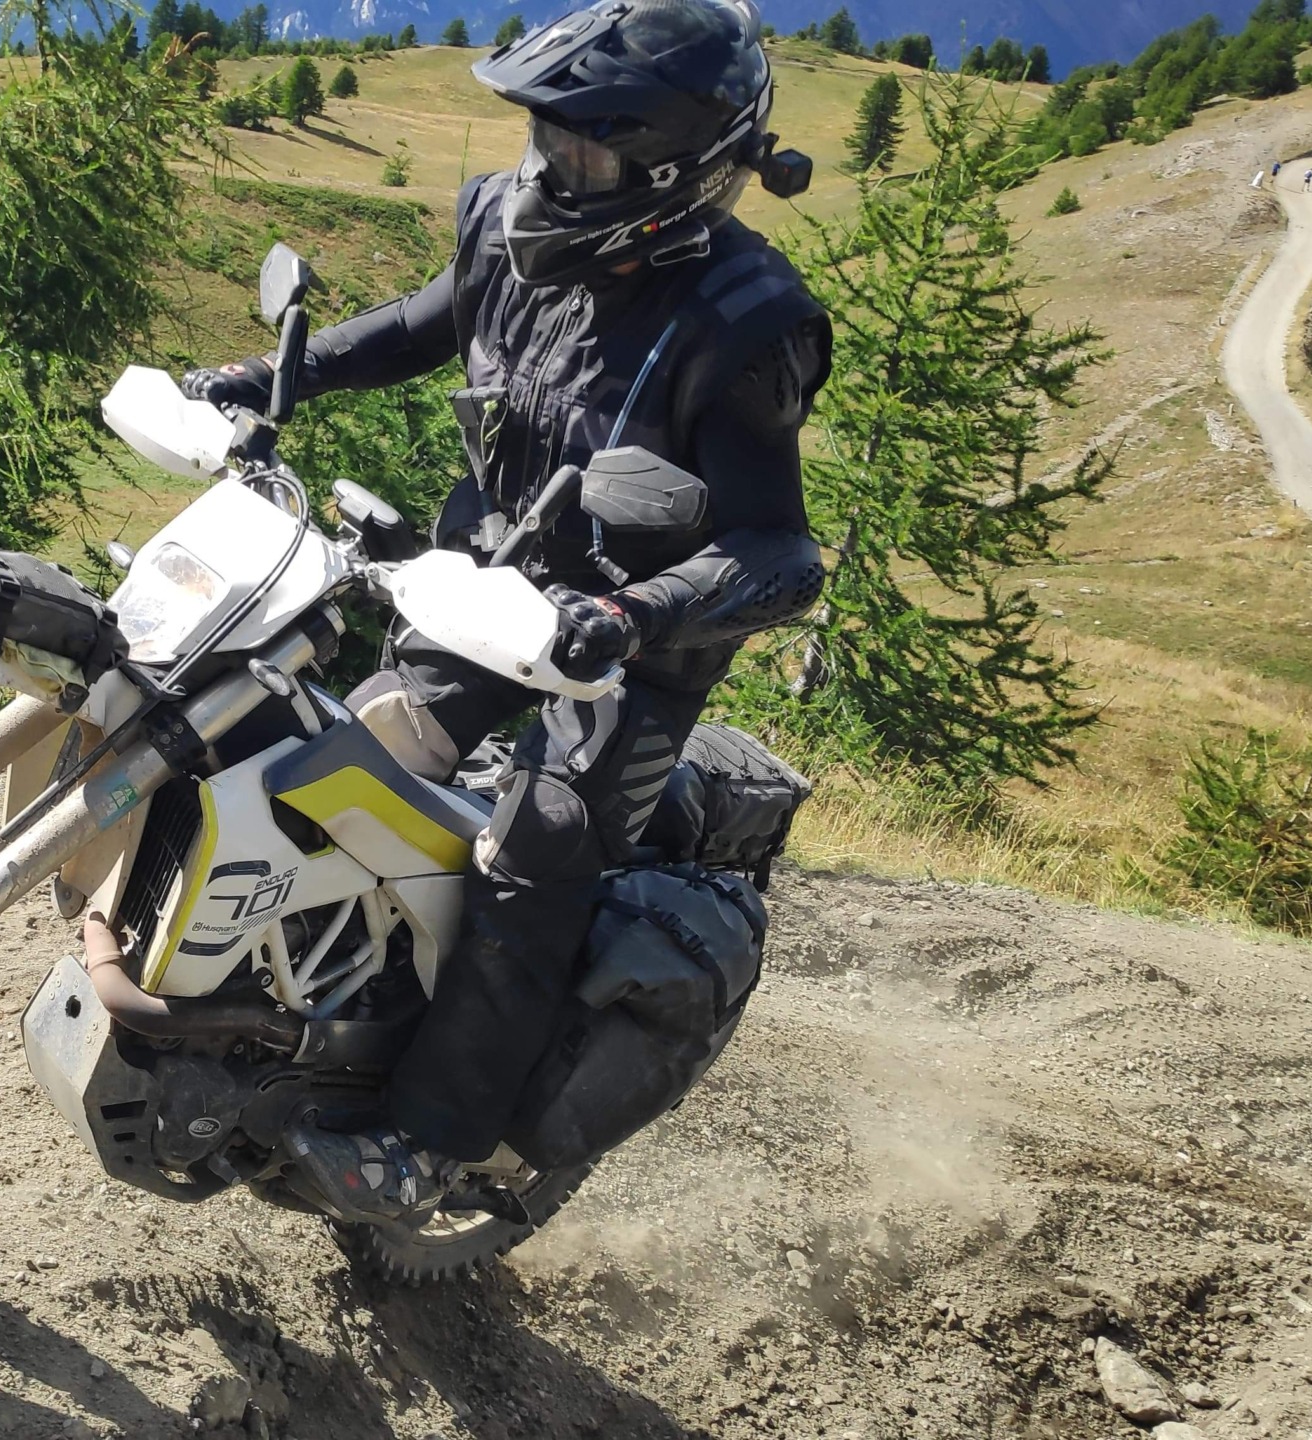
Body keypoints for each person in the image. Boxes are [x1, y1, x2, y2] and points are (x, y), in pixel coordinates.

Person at [183, 0, 829, 1224]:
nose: (551, 163)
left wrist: (631, 618)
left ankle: (431, 1139)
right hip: (484, 584)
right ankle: (306, 1014)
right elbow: (422, 326)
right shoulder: (507, 224)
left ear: (673, 166)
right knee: (354, 749)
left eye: (584, 146)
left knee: (539, 839)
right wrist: (273, 377)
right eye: (545, 133)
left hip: (624, 651)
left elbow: (778, 551)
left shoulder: (747, 324)